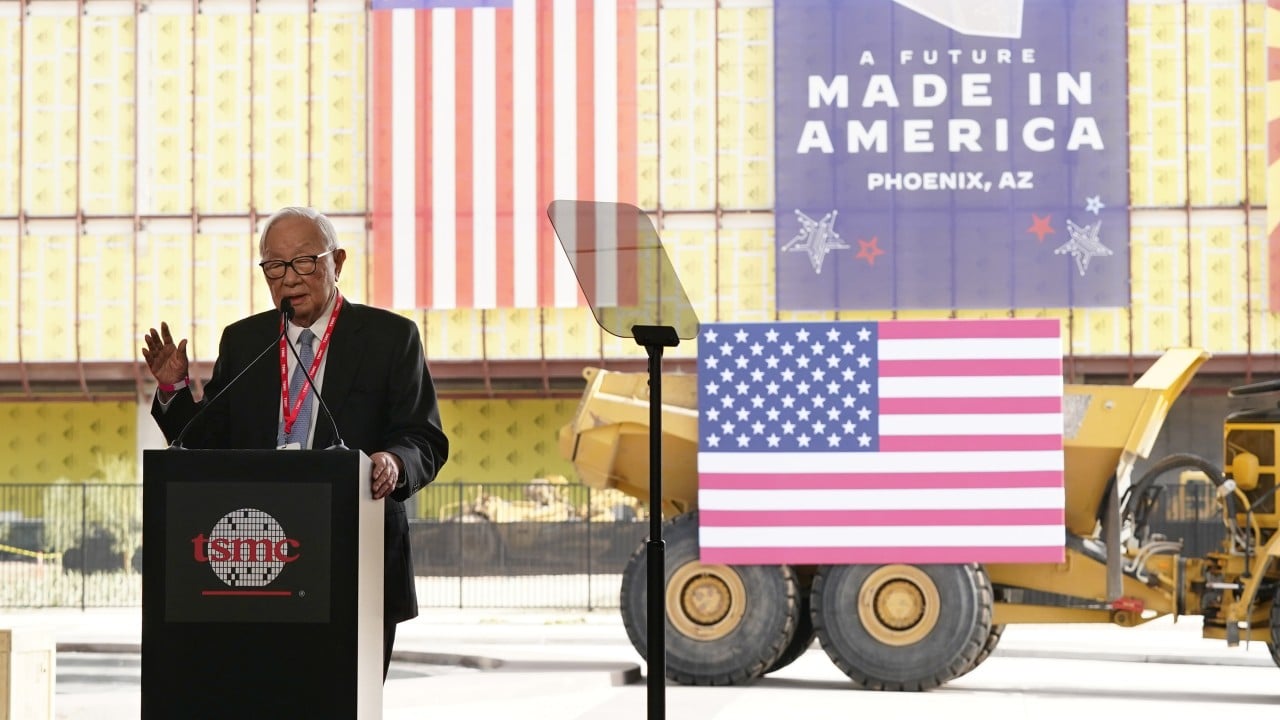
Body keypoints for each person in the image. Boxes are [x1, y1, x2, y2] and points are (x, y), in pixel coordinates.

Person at [141, 206, 449, 679]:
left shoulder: (390, 338)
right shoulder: (245, 341)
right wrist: (174, 389)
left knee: (344, 700)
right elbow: (205, 443)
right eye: (275, 266)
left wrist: (393, 461)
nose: (289, 278)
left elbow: (423, 437)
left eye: (304, 261)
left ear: (337, 262)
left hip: (355, 557)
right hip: (259, 562)